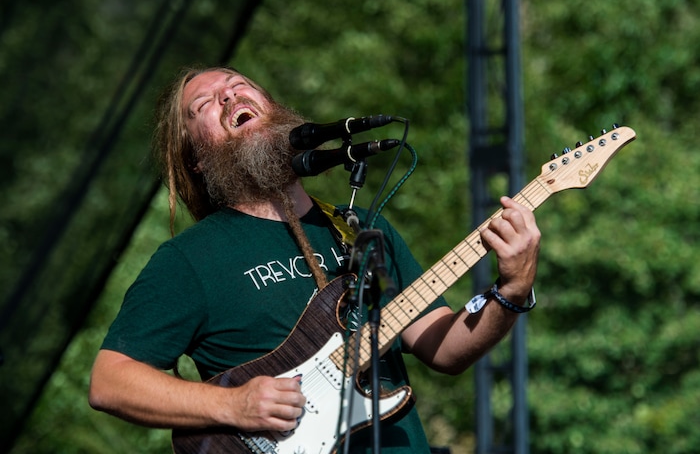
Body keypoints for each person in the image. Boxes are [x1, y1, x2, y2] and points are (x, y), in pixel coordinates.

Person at [88, 65, 540, 453]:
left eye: (238, 84)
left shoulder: (361, 227)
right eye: (203, 104)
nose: (228, 95)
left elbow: (444, 347)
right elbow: (110, 382)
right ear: (197, 161)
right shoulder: (190, 260)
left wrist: (512, 289)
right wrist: (231, 404)